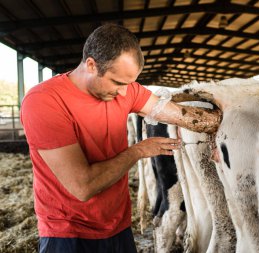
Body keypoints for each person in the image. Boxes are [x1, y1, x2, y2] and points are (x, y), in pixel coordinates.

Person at [20, 24, 221, 253]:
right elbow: (83, 186)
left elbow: (179, 115)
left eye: (129, 83)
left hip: (118, 225)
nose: (124, 93)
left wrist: (220, 122)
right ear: (91, 65)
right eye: (117, 82)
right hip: (69, 233)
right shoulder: (45, 101)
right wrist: (138, 151)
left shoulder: (127, 91)